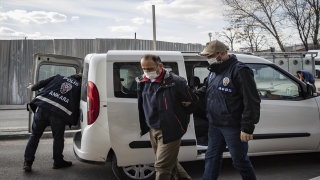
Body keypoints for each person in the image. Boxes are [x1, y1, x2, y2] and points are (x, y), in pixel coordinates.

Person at [196, 40, 261, 180]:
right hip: (215, 124)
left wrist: (247, 127)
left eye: (210, 56)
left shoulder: (239, 70)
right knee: (211, 158)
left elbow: (251, 100)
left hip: (233, 126)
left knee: (239, 161)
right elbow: (205, 90)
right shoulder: (214, 71)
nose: (208, 59)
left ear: (222, 53)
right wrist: (188, 95)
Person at [137, 54, 199, 180]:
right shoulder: (142, 81)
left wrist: (180, 114)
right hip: (152, 127)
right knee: (170, 162)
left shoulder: (176, 82)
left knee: (162, 167)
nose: (147, 72)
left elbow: (194, 101)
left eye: (150, 69)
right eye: (144, 69)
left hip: (170, 128)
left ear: (160, 66)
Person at [23, 73, 82, 171]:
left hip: (42, 108)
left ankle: (27, 163)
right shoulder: (79, 86)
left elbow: (40, 84)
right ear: (80, 80)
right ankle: (58, 162)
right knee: (58, 138)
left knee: (34, 136)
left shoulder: (58, 77)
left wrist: (33, 87)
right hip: (59, 114)